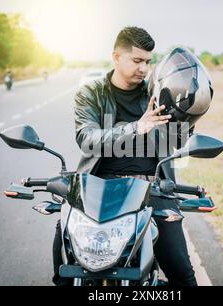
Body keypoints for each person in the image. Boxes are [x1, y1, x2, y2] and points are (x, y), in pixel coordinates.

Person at [52, 26, 199, 286]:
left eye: (148, 61)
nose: (144, 68)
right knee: (66, 266)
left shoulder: (158, 92)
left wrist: (189, 115)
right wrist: (136, 127)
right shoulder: (91, 93)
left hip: (151, 187)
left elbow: (176, 140)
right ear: (116, 57)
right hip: (96, 185)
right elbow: (87, 139)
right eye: (137, 60)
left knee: (182, 275)